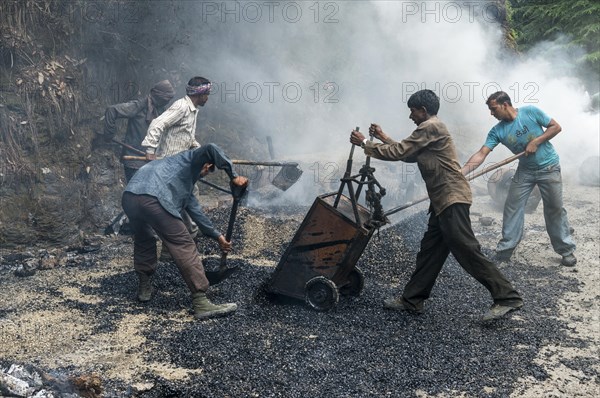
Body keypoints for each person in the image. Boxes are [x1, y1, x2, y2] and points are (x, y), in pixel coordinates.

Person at [350, 89, 523, 321]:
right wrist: (383, 137)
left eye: (412, 111)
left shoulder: (431, 126)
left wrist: (365, 144)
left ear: (423, 110)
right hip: (442, 201)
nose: (410, 116)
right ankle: (412, 300)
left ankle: (507, 297)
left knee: (466, 250)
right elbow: (409, 154)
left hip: (452, 198)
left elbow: (400, 151)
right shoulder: (429, 130)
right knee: (430, 252)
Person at [122, 143, 248, 320]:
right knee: (183, 243)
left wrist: (218, 237)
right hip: (154, 196)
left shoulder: (175, 174)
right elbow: (211, 147)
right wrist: (233, 175)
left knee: (144, 239)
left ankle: (144, 288)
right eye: (206, 172)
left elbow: (196, 212)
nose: (203, 175)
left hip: (129, 197)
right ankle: (201, 302)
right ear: (207, 165)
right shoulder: (189, 159)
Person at [462, 91, 576, 267]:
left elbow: (556, 127)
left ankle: (566, 250)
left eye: (493, 109)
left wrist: (536, 141)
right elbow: (481, 153)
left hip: (549, 167)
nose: (491, 114)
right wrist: (462, 172)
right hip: (525, 171)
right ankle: (504, 251)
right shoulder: (497, 131)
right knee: (512, 206)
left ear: (504, 105)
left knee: (554, 208)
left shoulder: (530, 111)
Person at [103, 80, 175, 182]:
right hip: (134, 161)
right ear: (160, 96)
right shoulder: (139, 105)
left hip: (150, 161)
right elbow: (112, 110)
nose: (168, 101)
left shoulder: (161, 109)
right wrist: (109, 133)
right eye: (167, 98)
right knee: (135, 194)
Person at [141, 76, 211, 160]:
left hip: (178, 162)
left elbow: (188, 137)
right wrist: (150, 151)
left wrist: (200, 153)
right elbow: (157, 123)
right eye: (207, 94)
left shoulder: (192, 110)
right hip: (167, 162)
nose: (207, 98)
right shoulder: (182, 106)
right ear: (200, 94)